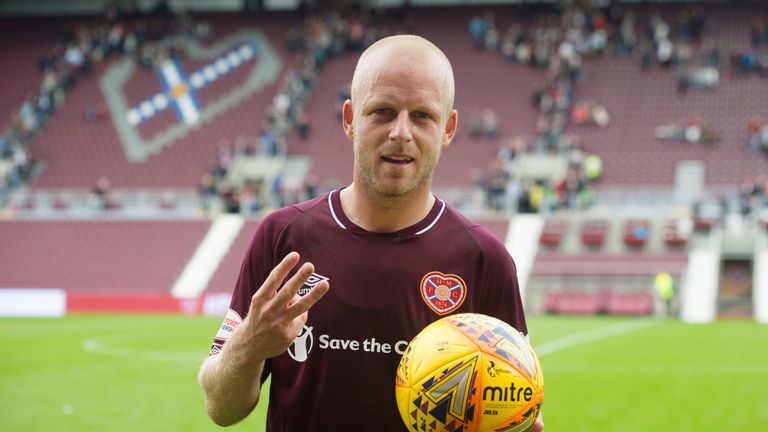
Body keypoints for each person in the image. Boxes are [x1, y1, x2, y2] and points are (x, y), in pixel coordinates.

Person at [198, 35, 544, 432]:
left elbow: (519, 404)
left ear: (448, 128)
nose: (401, 132)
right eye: (382, 111)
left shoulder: (485, 260)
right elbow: (221, 409)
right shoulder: (283, 237)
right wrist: (247, 346)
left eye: (422, 116)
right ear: (350, 119)